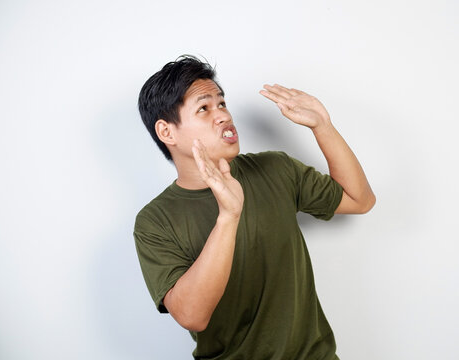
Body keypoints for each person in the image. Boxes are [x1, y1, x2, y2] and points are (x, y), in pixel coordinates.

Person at [134, 55, 375, 359]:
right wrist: (228, 217)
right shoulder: (155, 222)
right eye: (204, 108)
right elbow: (192, 315)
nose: (223, 116)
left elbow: (359, 199)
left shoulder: (275, 168)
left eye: (222, 104)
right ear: (167, 132)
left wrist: (323, 126)